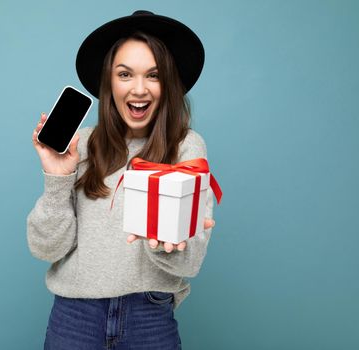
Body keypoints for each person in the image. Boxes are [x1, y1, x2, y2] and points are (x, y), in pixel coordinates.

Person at [28, 10, 218, 350]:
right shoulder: (81, 145)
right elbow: (45, 248)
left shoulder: (186, 147)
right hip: (75, 316)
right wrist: (57, 178)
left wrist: (166, 239)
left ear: (168, 84)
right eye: (125, 74)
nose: (139, 89)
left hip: (148, 315)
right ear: (109, 82)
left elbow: (190, 262)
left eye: (154, 75)